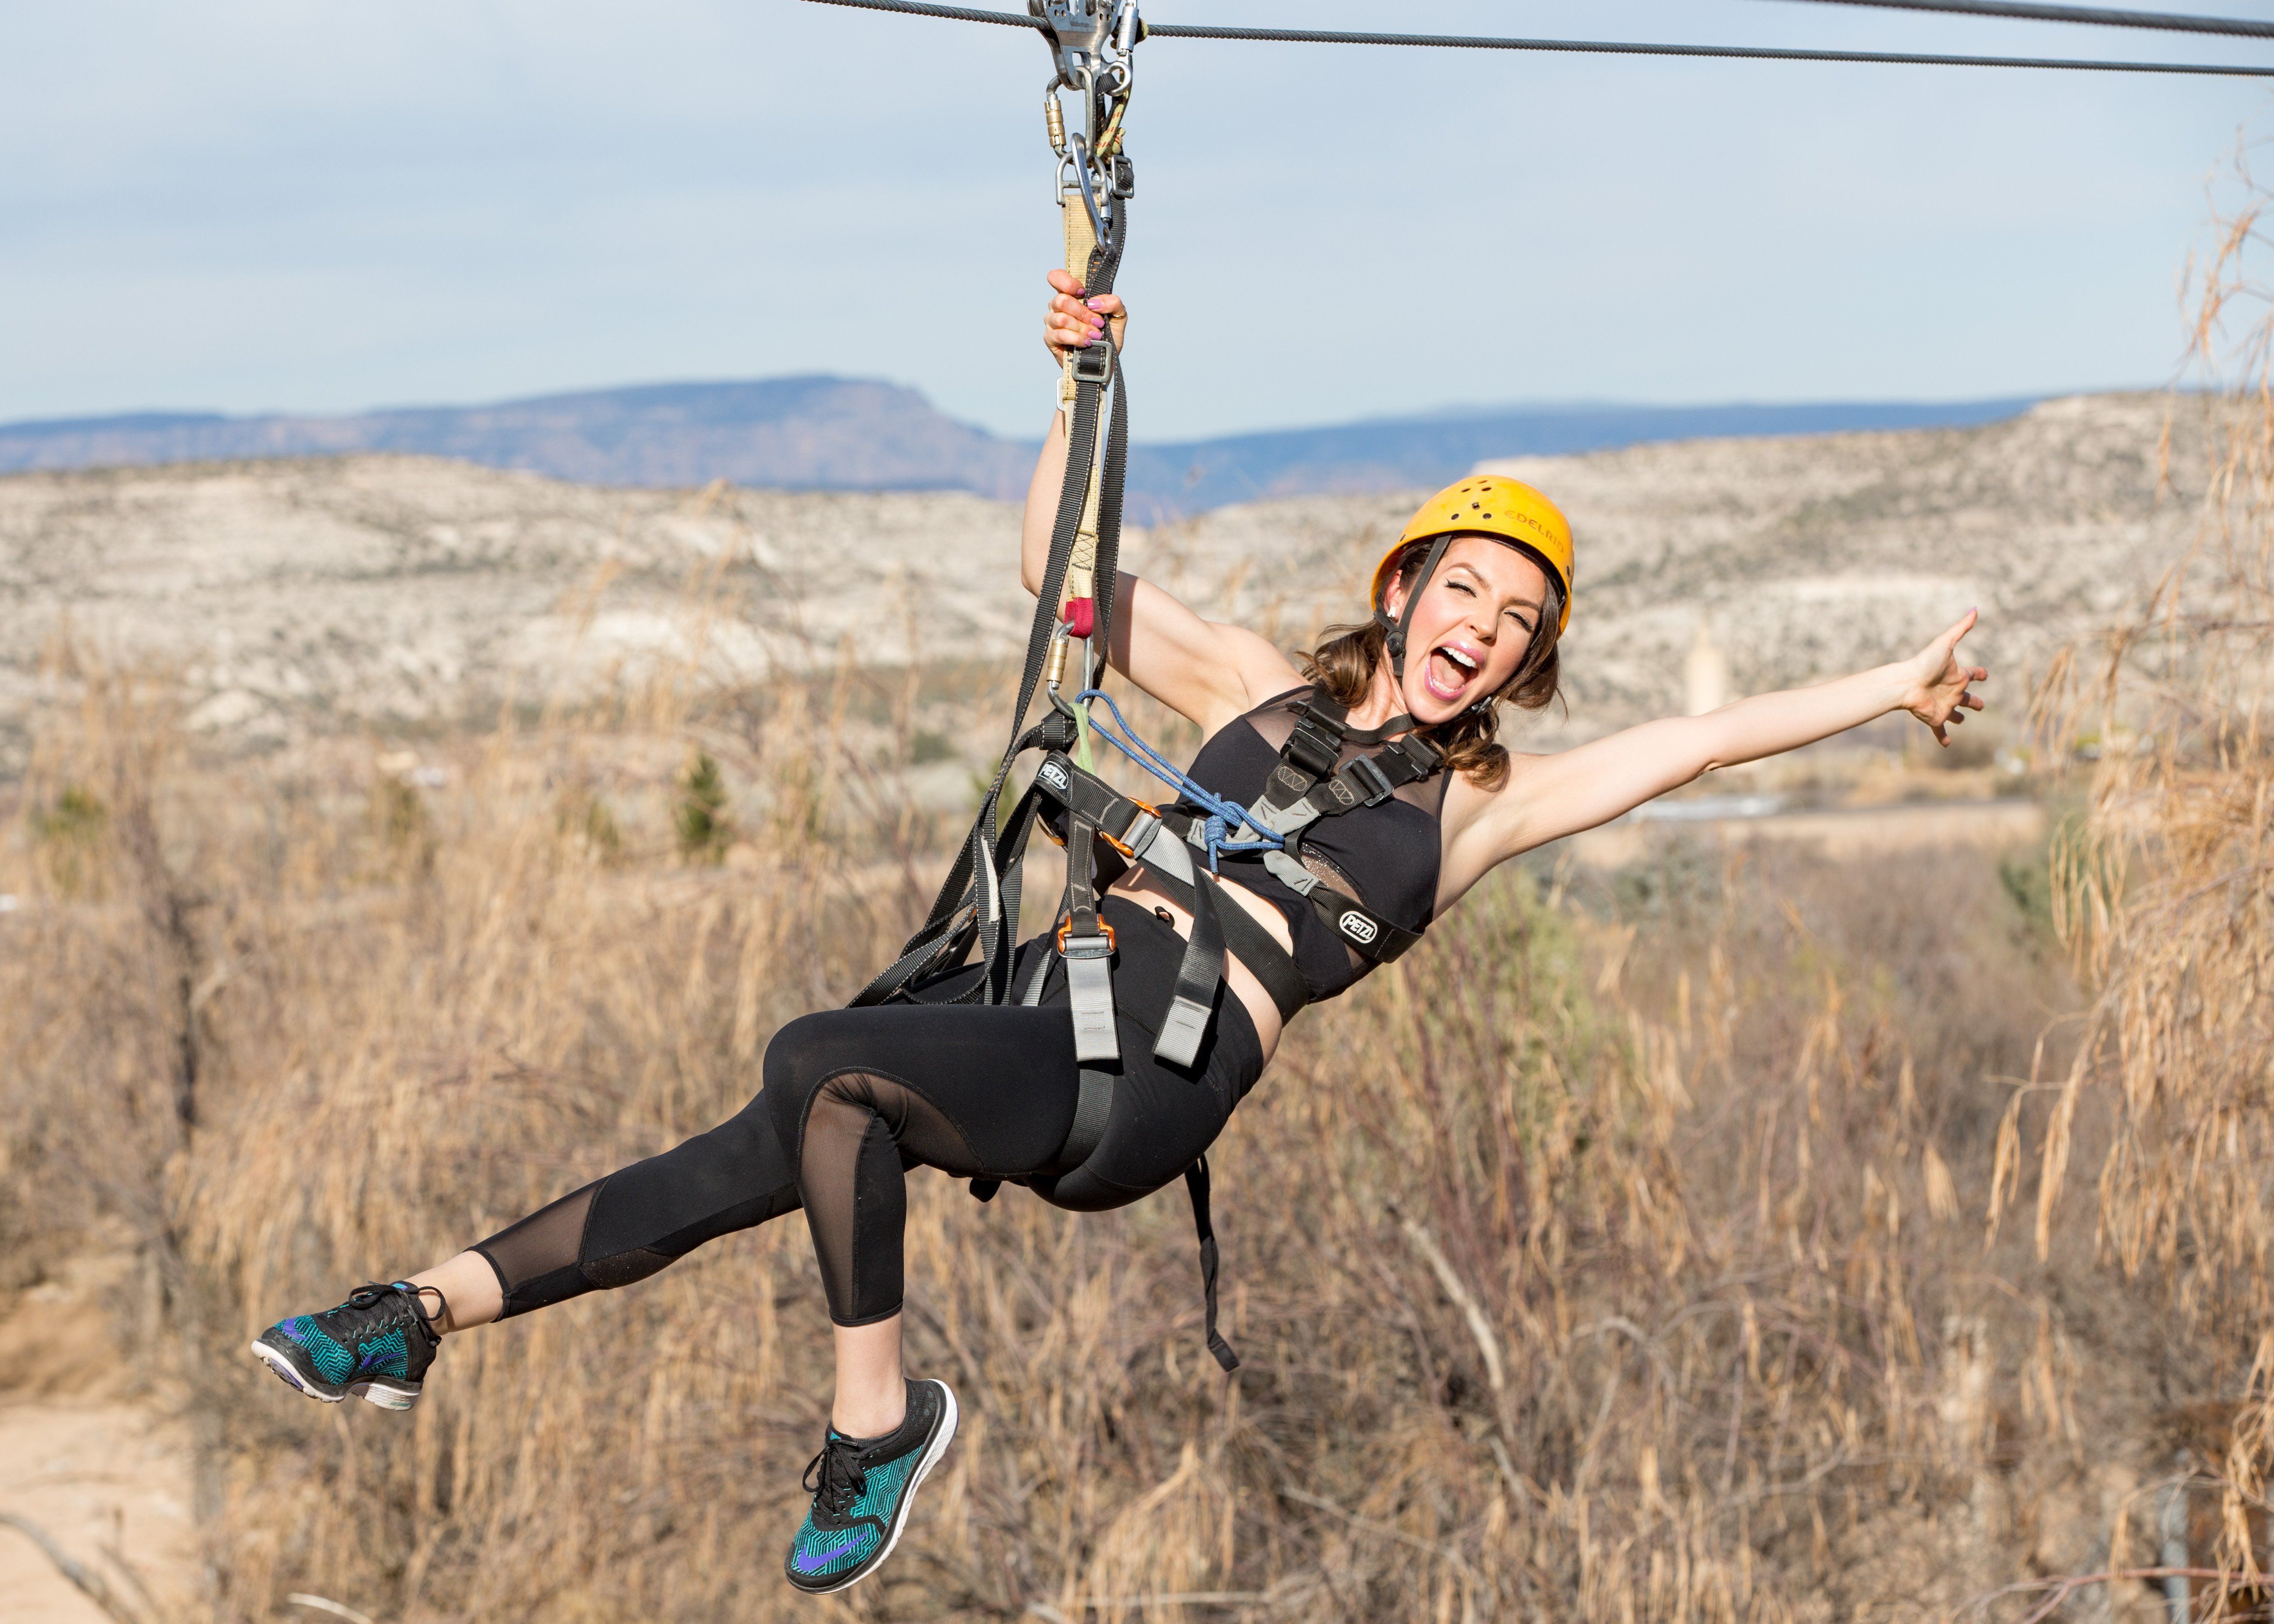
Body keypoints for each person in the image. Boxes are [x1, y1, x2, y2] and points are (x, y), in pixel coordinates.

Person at [248, 270, 1989, 1596]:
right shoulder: (1249, 679)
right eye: (1463, 587)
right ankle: (422, 1311)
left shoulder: (1478, 808)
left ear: (1522, 667)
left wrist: (1886, 689)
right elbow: (1056, 572)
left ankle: (878, 1428)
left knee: (816, 1063)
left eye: (1513, 623)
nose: (1478, 627)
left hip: (1158, 1081)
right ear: (1404, 586)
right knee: (789, 1126)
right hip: (1052, 1018)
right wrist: (1078, 382)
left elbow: (1692, 743)